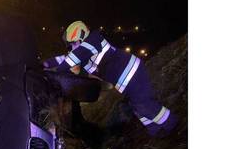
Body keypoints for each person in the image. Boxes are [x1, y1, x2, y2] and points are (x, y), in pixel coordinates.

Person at [43, 21, 178, 139]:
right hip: (126, 81)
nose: (72, 48)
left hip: (133, 73)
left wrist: (58, 72)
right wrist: (44, 64)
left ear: (82, 36)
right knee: (138, 107)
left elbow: (71, 59)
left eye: (73, 43)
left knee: (144, 105)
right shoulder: (84, 53)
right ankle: (156, 131)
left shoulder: (94, 40)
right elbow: (64, 58)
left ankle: (172, 124)